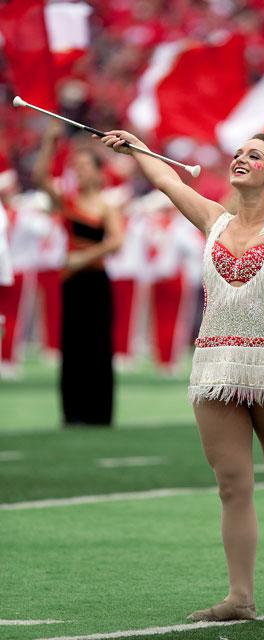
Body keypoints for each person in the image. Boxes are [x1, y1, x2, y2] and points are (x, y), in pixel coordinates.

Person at [97, 66, 264, 620]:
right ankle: (240, 597)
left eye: (255, 156)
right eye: (238, 153)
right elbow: (169, 182)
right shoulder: (213, 219)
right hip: (215, 364)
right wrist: (139, 148)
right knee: (231, 484)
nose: (241, 159)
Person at [33, 126, 123, 426]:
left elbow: (116, 241)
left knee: (98, 346)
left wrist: (86, 255)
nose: (79, 172)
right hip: (72, 282)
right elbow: (40, 180)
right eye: (76, 167)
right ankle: (72, 413)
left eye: (85, 167)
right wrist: (49, 143)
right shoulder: (68, 201)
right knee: (72, 347)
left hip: (96, 282)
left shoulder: (107, 206)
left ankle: (98, 413)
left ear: (99, 172)